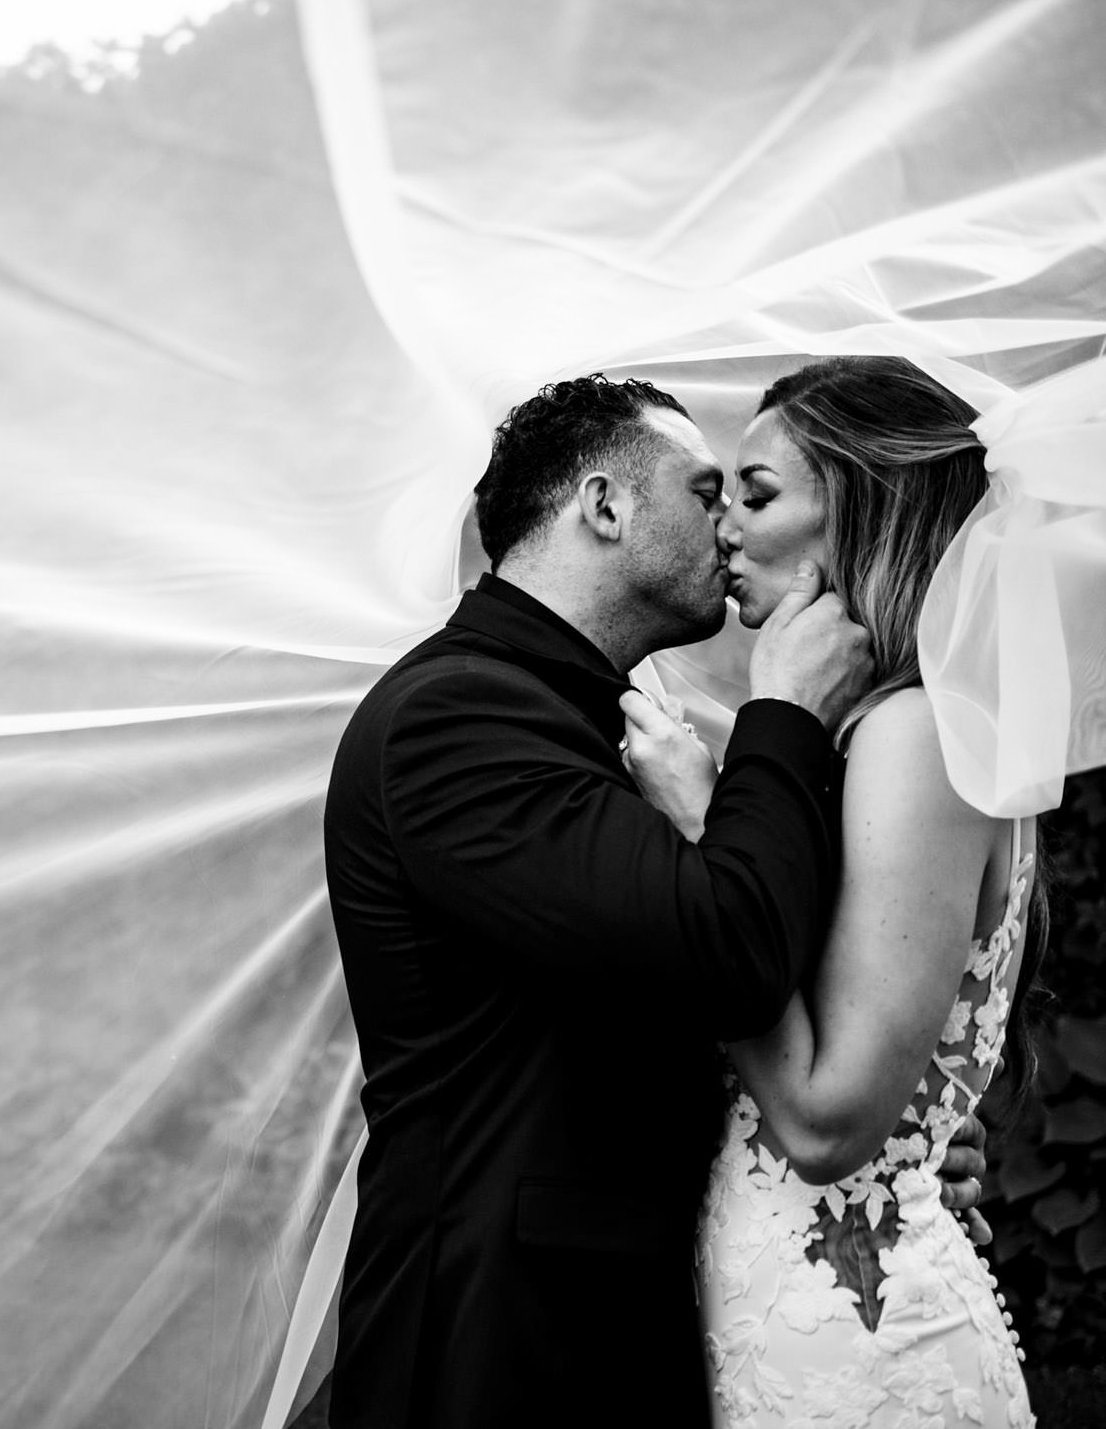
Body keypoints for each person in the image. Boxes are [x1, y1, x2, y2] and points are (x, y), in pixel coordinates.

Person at [318, 373, 877, 1427]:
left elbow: (647, 983)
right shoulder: (458, 714)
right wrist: (785, 712)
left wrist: (887, 1140)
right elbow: (730, 953)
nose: (725, 526)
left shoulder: (589, 713)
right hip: (497, 1349)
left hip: (614, 1321)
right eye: (701, 489)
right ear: (604, 505)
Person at [622, 357, 1043, 1427]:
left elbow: (821, 1120)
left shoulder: (912, 736)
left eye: (756, 495)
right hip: (792, 1311)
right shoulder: (894, 735)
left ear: (863, 506)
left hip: (849, 1348)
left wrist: (691, 829)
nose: (722, 527)